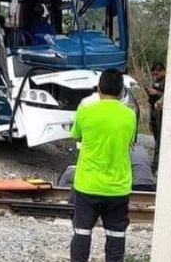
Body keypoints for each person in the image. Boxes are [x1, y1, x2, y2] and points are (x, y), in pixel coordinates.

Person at [69, 68, 137, 262]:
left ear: (99, 89)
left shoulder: (85, 111)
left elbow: (76, 135)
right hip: (118, 186)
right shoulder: (130, 115)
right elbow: (129, 141)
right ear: (121, 91)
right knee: (116, 236)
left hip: (87, 184)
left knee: (82, 233)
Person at [146, 62, 165, 168]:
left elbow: (170, 96)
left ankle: (156, 164)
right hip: (153, 111)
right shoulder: (155, 81)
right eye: (153, 74)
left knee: (160, 140)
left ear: (162, 71)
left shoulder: (168, 81)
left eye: (157, 74)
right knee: (156, 137)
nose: (155, 76)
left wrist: (157, 93)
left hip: (162, 113)